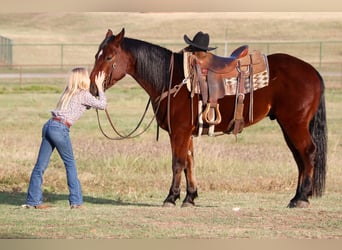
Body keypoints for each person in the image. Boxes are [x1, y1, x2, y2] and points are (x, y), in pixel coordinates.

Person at [23, 67, 106, 209]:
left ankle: (33, 201)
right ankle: (76, 202)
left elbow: (83, 107)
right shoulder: (84, 94)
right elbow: (102, 105)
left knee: (40, 166)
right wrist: (100, 87)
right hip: (60, 129)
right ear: (82, 79)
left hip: (49, 125)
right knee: (70, 164)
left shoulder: (68, 92)